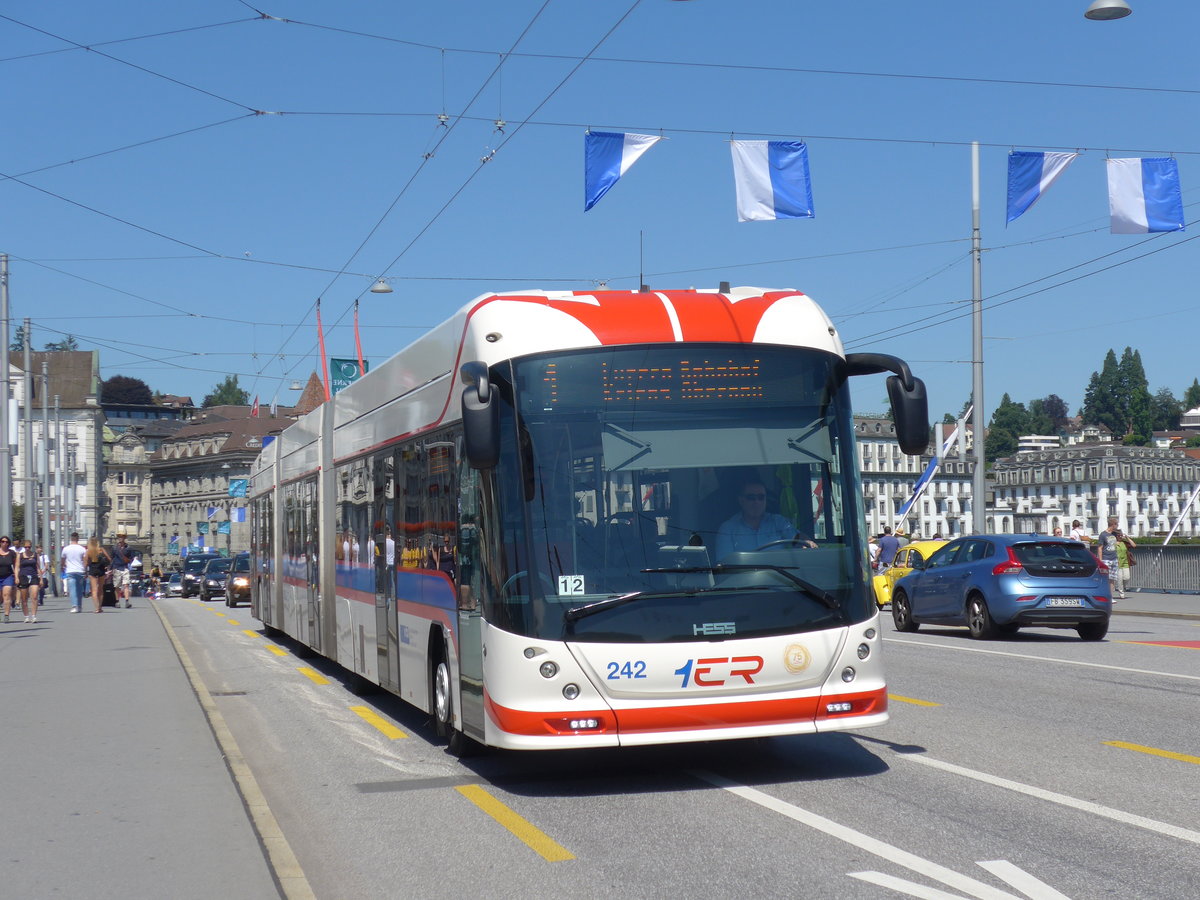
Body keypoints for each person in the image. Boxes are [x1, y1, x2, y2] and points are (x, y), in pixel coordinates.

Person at [715, 479, 815, 560]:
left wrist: (806, 542)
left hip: (780, 581)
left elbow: (796, 538)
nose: (756, 502)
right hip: (743, 583)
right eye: (751, 497)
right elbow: (725, 565)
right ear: (741, 500)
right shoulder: (727, 529)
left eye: (761, 497)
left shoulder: (778, 522)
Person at [61, 532, 87, 613]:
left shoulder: (66, 549)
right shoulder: (82, 549)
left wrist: (63, 566)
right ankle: (79, 606)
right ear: (78, 539)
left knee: (72, 589)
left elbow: (63, 560)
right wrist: (85, 569)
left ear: (71, 539)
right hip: (80, 571)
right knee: (79, 589)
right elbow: (85, 561)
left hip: (70, 571)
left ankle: (74, 606)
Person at [1095, 517, 1121, 601]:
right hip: (1106, 558)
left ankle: (1110, 597)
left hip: (1114, 558)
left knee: (1112, 579)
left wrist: (1117, 558)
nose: (1117, 526)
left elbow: (1115, 545)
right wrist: (1100, 561)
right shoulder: (1103, 535)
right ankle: (1103, 595)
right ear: (1113, 524)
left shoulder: (1114, 534)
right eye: (1116, 524)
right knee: (1105, 578)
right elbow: (1100, 548)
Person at [17, 539, 41, 623]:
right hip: (23, 577)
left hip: (34, 576)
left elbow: (38, 567)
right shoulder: (20, 556)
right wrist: (16, 577)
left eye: (29, 547)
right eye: (26, 547)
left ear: (31, 547)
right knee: (24, 598)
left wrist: (40, 578)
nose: (27, 548)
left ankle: (34, 616)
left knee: (34, 596)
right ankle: (26, 616)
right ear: (24, 547)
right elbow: (17, 567)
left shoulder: (35, 555)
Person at [85, 536, 112, 613]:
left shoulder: (88, 551)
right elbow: (109, 559)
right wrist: (106, 566)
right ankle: (100, 607)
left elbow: (86, 563)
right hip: (101, 570)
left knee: (94, 590)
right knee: (100, 589)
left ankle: (96, 608)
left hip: (92, 570)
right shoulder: (101, 550)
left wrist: (85, 571)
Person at [109, 533, 135, 608]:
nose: (120, 538)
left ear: (124, 538)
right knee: (117, 586)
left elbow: (131, 558)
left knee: (126, 585)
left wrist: (129, 561)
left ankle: (127, 601)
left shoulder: (129, 548)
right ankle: (117, 601)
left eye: (122, 537)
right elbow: (112, 558)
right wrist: (110, 568)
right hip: (117, 568)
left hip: (125, 568)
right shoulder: (114, 548)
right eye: (119, 537)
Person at [1113, 528, 1136, 601]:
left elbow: (1134, 545)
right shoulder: (1113, 543)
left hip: (1125, 562)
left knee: (1127, 578)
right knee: (1119, 579)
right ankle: (1121, 593)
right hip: (1117, 563)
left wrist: (1127, 537)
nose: (1120, 537)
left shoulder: (1124, 542)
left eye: (1121, 535)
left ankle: (1122, 588)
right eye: (1118, 535)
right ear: (1115, 536)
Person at [0, 536, 18, 623]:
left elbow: (16, 566)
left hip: (8, 576)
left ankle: (6, 615)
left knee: (6, 595)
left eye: (6, 542)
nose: (4, 543)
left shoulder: (12, 553)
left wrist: (17, 577)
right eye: (3, 541)